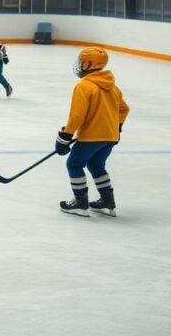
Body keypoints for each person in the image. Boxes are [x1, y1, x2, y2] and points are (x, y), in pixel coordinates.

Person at [54, 47, 130, 217]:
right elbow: (124, 109)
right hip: (110, 137)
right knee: (96, 165)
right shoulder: (112, 87)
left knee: (74, 164)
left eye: (81, 62)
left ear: (89, 64)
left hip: (91, 137)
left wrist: (65, 136)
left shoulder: (84, 86)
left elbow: (77, 116)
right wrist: (117, 128)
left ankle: (80, 202)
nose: (79, 65)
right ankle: (107, 200)